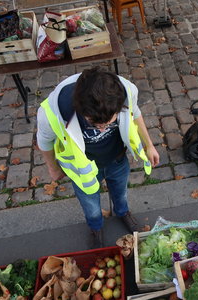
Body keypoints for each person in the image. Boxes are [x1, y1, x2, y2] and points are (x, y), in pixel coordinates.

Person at [37, 66, 159, 247]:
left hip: (117, 159)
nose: (102, 128)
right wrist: (52, 168)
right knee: (91, 207)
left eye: (108, 122)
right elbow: (44, 141)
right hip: (84, 171)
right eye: (94, 123)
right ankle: (95, 226)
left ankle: (122, 212)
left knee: (121, 193)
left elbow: (135, 113)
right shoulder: (51, 114)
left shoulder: (126, 92)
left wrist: (149, 145)